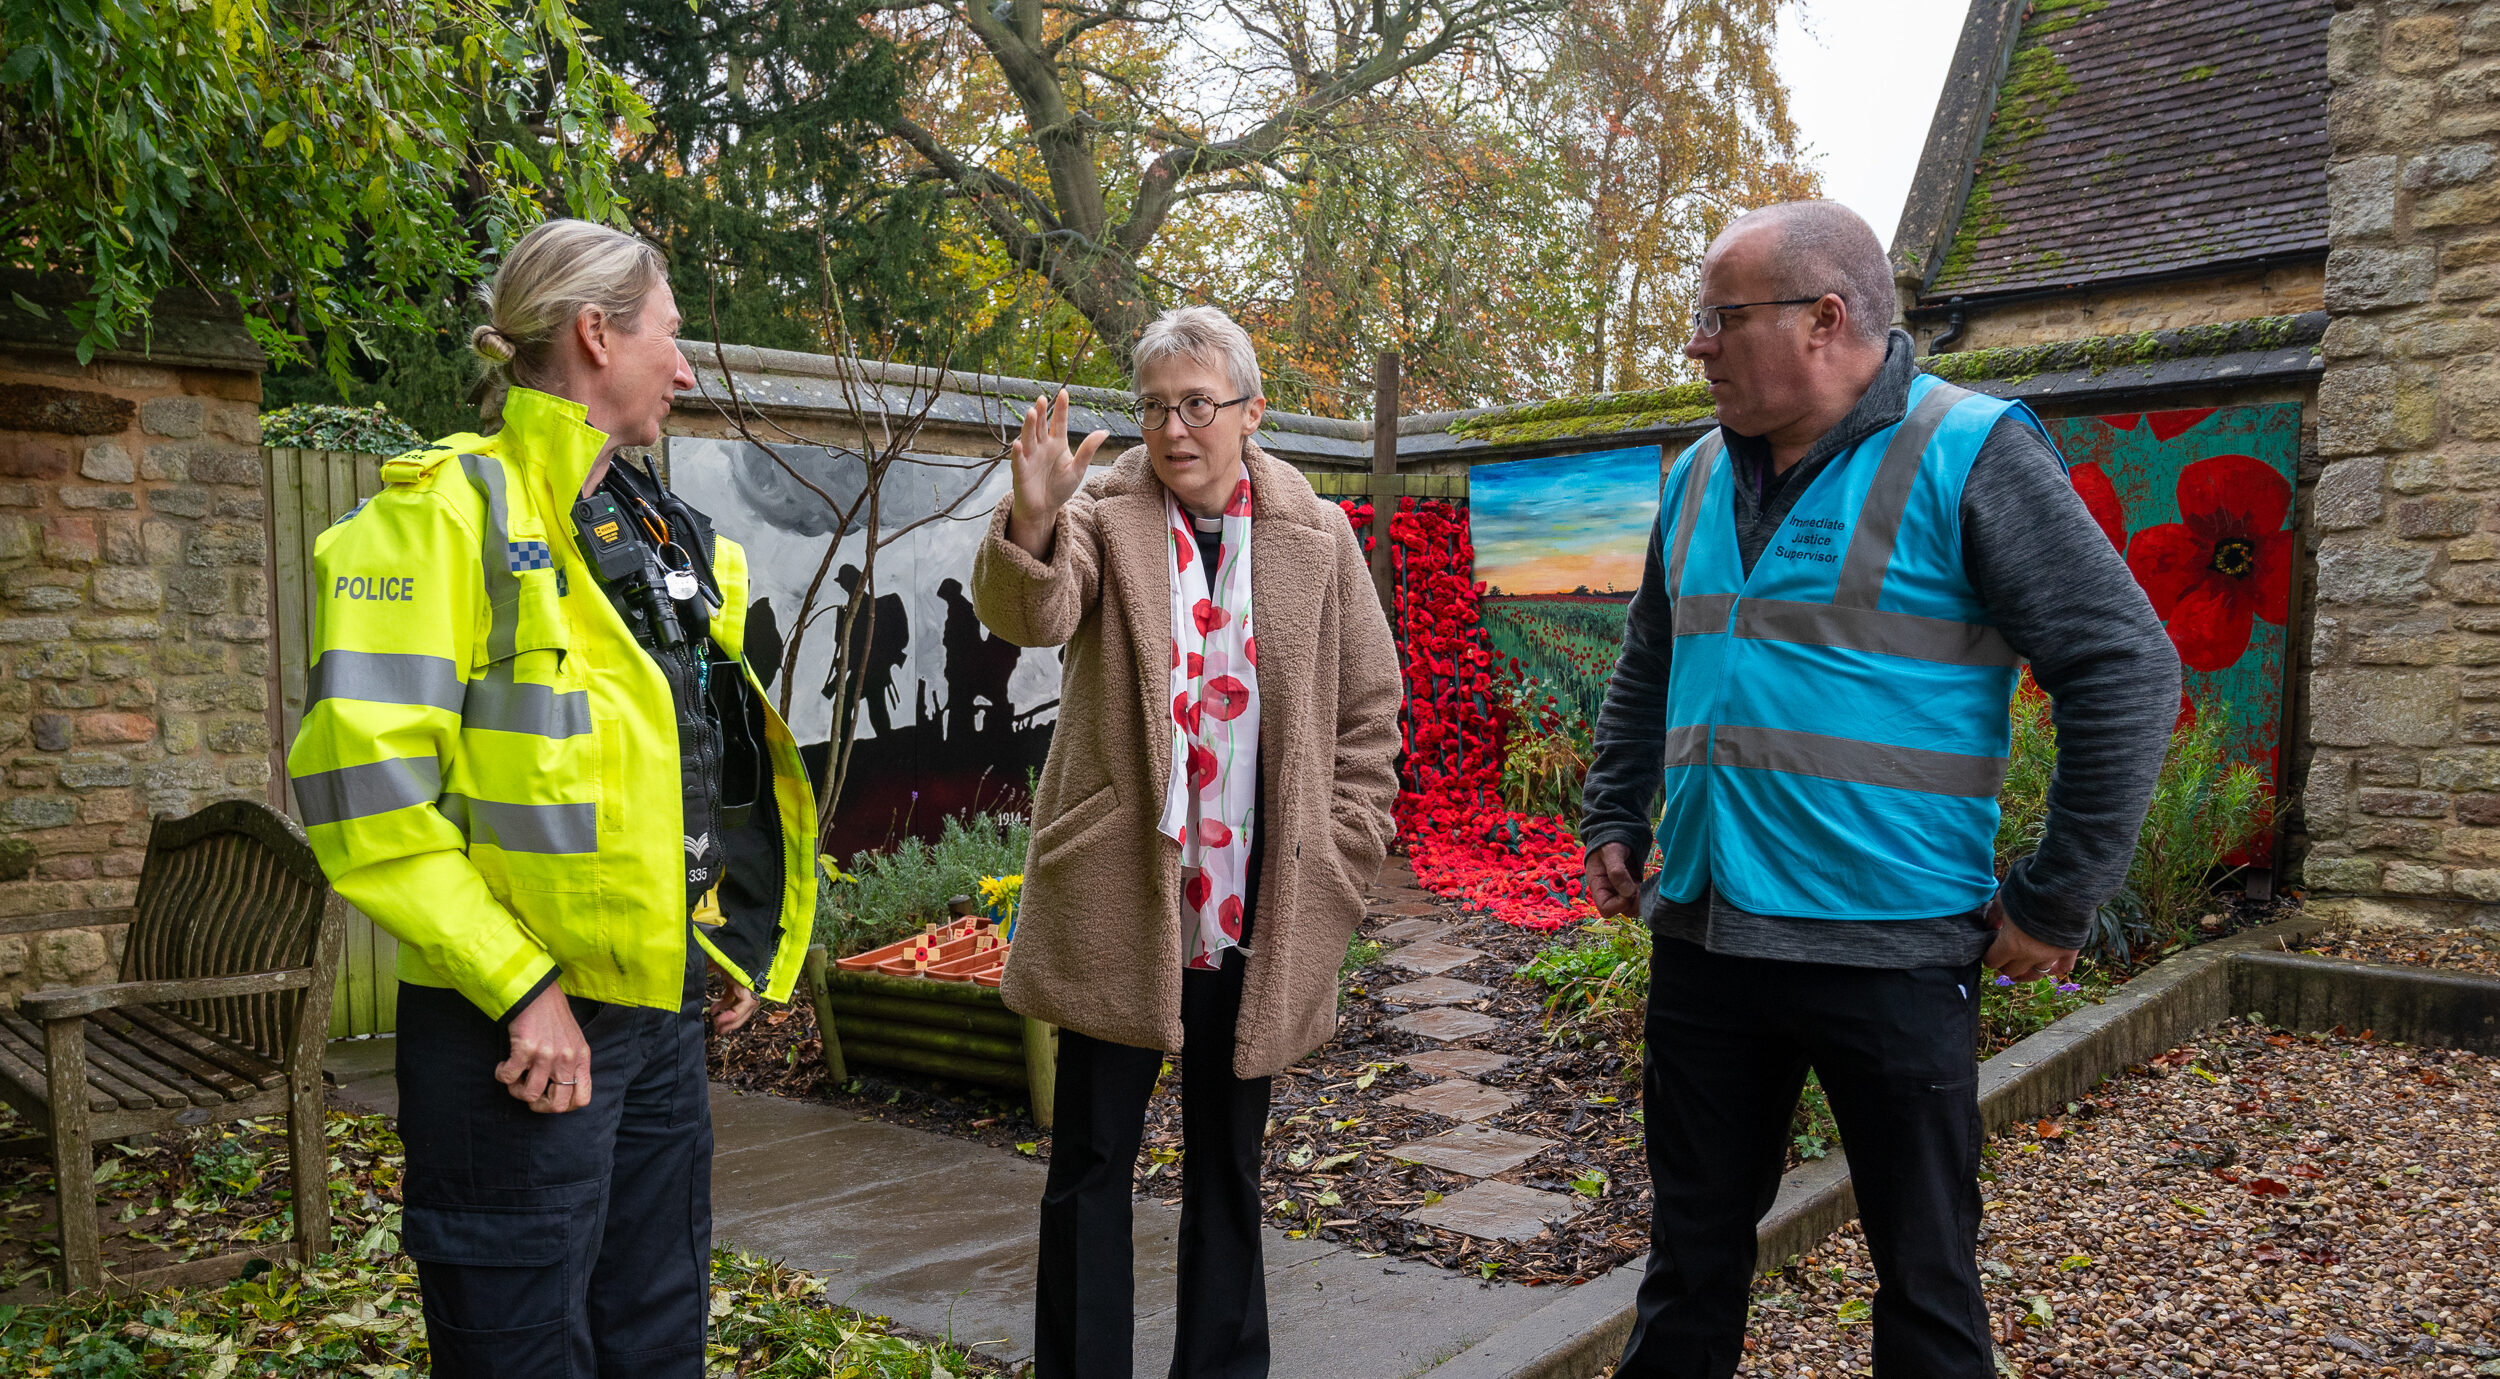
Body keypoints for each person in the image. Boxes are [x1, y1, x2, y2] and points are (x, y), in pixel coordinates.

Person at [1579, 201, 2179, 1378]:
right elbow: (1652, 657)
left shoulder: (1970, 448)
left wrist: (2057, 898)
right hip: (1707, 938)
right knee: (1688, 1263)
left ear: (1825, 318)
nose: (1696, 344)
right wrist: (1613, 809)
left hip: (1892, 950)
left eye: (1718, 317)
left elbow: (2125, 663)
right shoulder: (1698, 470)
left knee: (1926, 1281)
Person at [285, 219, 819, 1378]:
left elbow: (689, 754)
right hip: (516, 1041)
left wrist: (718, 930)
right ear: (594, 334)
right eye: (669, 338)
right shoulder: (438, 522)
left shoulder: (661, 533)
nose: (684, 369)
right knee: (519, 1355)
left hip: (658, 1026)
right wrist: (522, 988)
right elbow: (362, 794)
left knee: (656, 1338)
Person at [972, 305, 1403, 1379]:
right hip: (1124, 890)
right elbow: (1033, 611)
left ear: (1251, 413)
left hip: (1258, 895)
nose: (1174, 429)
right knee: (1089, 1164)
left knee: (1229, 1168)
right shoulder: (1104, 514)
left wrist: (1343, 851)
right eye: (1156, 406)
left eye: (1198, 405)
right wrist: (1029, 522)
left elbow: (1369, 712)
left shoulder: (1320, 535)